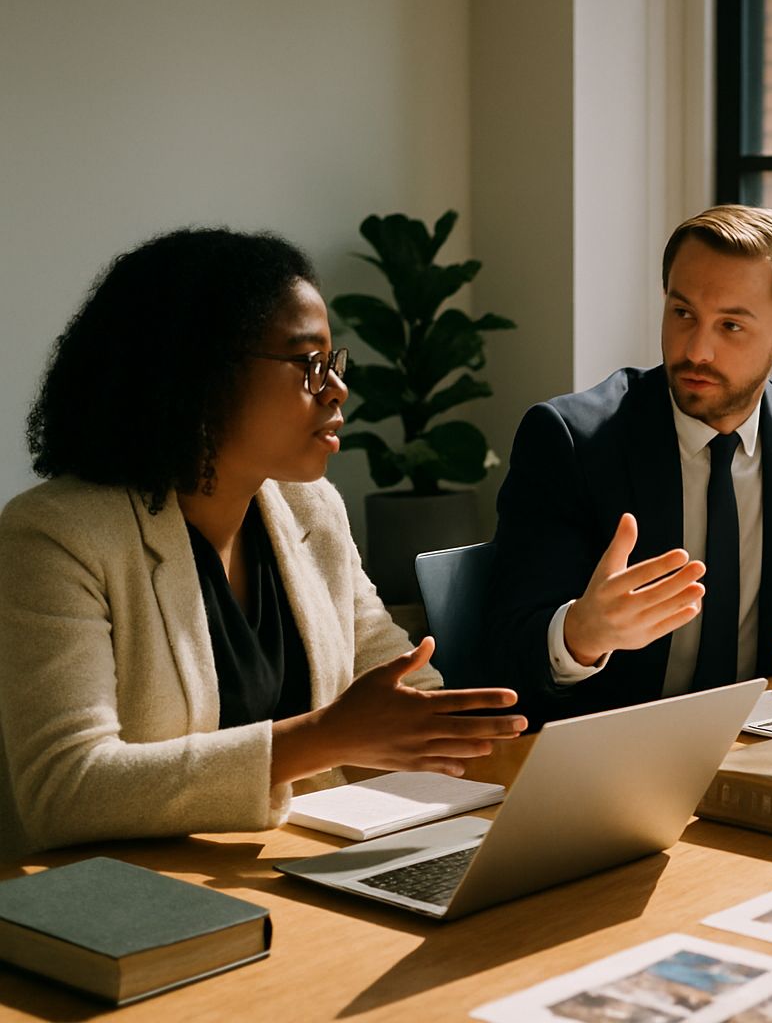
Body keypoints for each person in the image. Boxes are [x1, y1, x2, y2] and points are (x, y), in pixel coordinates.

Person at [0, 228, 526, 859]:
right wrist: (320, 738)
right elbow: (65, 788)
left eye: (335, 363)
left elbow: (397, 685)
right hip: (140, 904)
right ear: (197, 374)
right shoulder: (55, 537)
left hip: (307, 868)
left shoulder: (311, 509)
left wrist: (576, 644)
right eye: (309, 364)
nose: (337, 390)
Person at [487, 204, 772, 725]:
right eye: (682, 313)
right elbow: (508, 644)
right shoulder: (571, 438)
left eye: (731, 325)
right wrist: (579, 634)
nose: (697, 350)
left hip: (760, 735)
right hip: (609, 746)